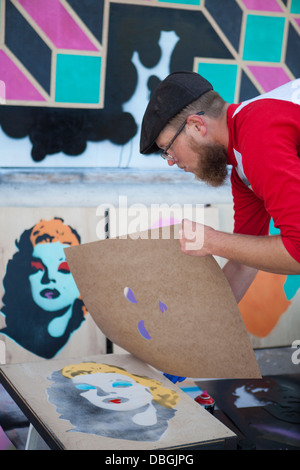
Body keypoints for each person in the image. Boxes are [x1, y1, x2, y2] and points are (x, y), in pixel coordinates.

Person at [140, 71, 300, 304]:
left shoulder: (257, 135)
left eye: (168, 149)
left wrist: (213, 241)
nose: (171, 161)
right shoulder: (243, 168)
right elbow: (243, 262)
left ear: (196, 125)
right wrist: (198, 327)